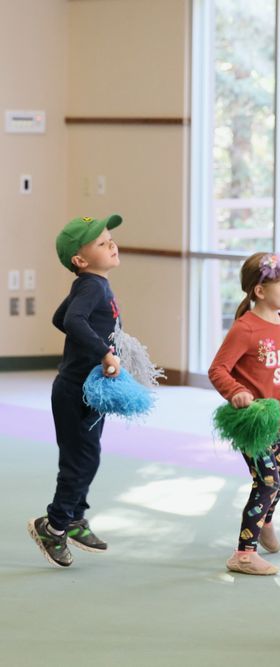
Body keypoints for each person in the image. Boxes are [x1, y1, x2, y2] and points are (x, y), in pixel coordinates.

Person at [28, 214, 124, 567]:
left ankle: (75, 518)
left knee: (88, 455)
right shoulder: (92, 286)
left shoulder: (93, 284)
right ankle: (53, 526)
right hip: (75, 391)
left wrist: (98, 346)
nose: (111, 244)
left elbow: (61, 318)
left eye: (110, 238)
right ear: (80, 261)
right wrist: (103, 351)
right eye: (101, 243)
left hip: (88, 388)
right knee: (79, 460)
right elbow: (70, 321)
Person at [209, 252, 280, 574]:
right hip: (253, 423)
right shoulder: (245, 328)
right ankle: (243, 555)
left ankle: (264, 522)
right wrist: (236, 392)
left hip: (279, 420)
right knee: (266, 482)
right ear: (260, 291)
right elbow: (218, 369)